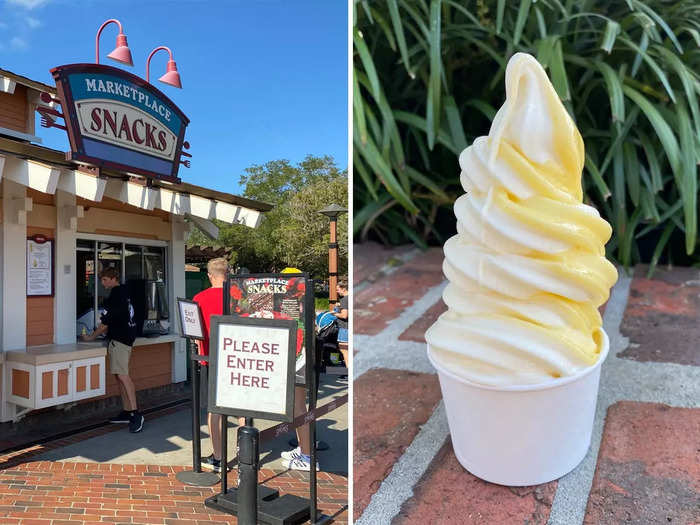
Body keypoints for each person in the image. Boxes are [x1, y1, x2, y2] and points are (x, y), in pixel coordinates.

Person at [192, 257, 240, 473]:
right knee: (241, 409)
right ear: (228, 274)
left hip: (211, 359)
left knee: (215, 409)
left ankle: (219, 457)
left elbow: (196, 332)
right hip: (239, 360)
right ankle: (247, 456)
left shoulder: (199, 298)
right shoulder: (239, 297)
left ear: (210, 275)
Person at [82, 267, 143, 433]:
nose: (102, 283)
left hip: (120, 340)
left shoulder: (116, 294)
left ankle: (136, 414)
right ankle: (127, 411)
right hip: (125, 338)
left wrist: (91, 337)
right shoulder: (126, 292)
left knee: (123, 376)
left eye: (104, 280)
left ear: (112, 279)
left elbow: (106, 322)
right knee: (119, 376)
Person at [279, 266, 319, 471]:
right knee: (297, 406)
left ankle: (307, 456)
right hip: (301, 359)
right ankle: (303, 448)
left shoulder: (292, 303)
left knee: (298, 408)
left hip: (298, 361)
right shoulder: (306, 302)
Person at [333, 277, 349, 369]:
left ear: (343, 289)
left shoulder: (344, 299)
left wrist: (334, 313)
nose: (337, 291)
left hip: (344, 329)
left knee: (345, 353)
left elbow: (344, 315)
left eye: (338, 289)